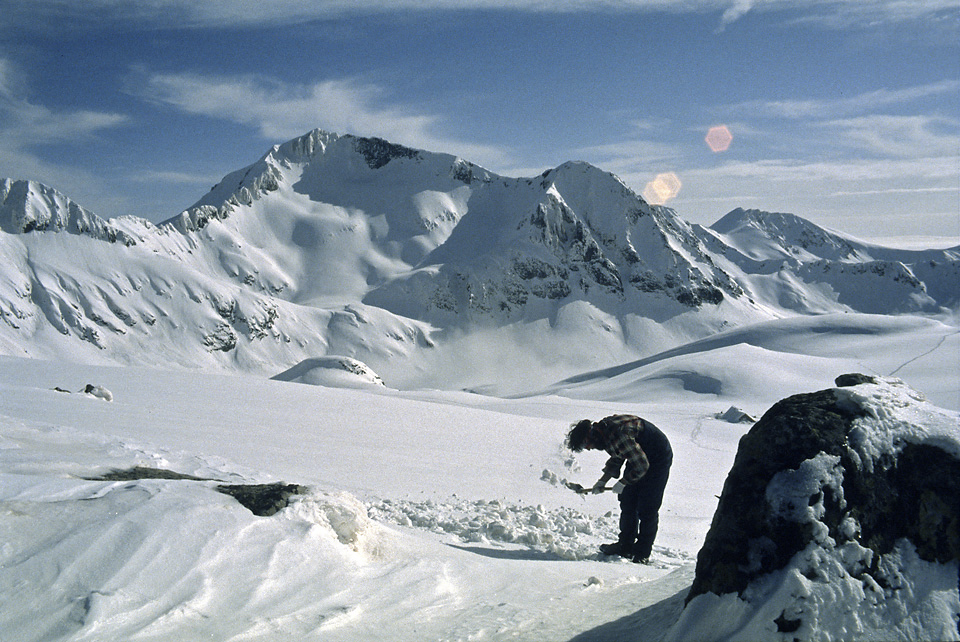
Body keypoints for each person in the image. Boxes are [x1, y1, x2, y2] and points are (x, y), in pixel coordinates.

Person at [566, 414, 673, 564]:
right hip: (638, 454)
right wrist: (602, 481)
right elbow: (618, 454)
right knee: (628, 500)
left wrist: (623, 482)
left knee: (647, 506)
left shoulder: (619, 433)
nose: (589, 449)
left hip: (657, 458)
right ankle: (625, 546)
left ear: (588, 438)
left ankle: (642, 553)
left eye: (586, 446)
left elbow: (641, 466)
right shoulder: (604, 432)